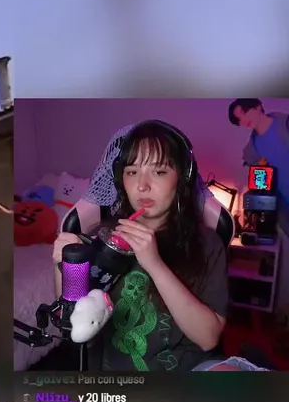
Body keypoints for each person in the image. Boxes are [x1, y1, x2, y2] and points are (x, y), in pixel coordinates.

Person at [52, 121, 227, 371]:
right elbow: (74, 330)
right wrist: (65, 267)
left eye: (159, 172)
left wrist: (154, 264)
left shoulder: (207, 244)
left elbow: (208, 338)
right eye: (132, 172)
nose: (142, 186)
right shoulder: (101, 239)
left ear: (182, 177)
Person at [229, 98, 289, 235]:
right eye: (239, 120)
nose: (244, 120)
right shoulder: (251, 151)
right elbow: (262, 185)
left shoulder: (285, 124)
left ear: (258, 106)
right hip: (284, 208)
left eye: (245, 112)